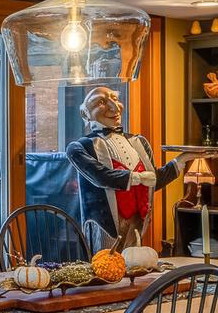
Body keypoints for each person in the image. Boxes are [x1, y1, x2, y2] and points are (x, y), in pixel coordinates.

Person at [65, 86, 183, 247]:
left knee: (135, 263)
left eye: (114, 98)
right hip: (105, 224)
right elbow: (102, 177)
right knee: (106, 266)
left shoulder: (139, 142)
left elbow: (152, 180)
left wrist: (182, 160)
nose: (114, 107)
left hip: (138, 219)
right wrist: (138, 177)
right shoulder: (79, 148)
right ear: (85, 114)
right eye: (101, 102)